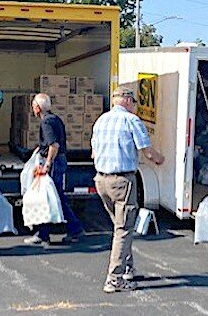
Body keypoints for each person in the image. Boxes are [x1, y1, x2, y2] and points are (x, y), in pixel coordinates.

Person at [91, 86, 164, 293]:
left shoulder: (101, 121)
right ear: (128, 100)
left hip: (101, 180)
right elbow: (147, 152)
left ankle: (127, 268)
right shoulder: (132, 121)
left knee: (120, 227)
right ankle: (114, 278)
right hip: (122, 180)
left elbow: (94, 155)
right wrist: (161, 159)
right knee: (123, 229)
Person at [23, 93, 84, 247]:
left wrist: (47, 164)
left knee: (49, 197)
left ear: (37, 107)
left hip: (54, 163)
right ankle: (51, 232)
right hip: (59, 160)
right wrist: (39, 149)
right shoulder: (55, 119)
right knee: (53, 197)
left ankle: (51, 233)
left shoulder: (46, 123)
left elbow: (54, 145)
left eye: (33, 106)